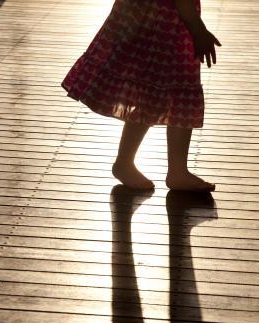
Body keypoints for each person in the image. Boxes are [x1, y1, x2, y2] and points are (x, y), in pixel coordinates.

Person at [62, 0, 221, 191]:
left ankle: (130, 163)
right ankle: (173, 170)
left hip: (150, 16)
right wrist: (198, 29)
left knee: (151, 91)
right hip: (165, 22)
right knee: (178, 86)